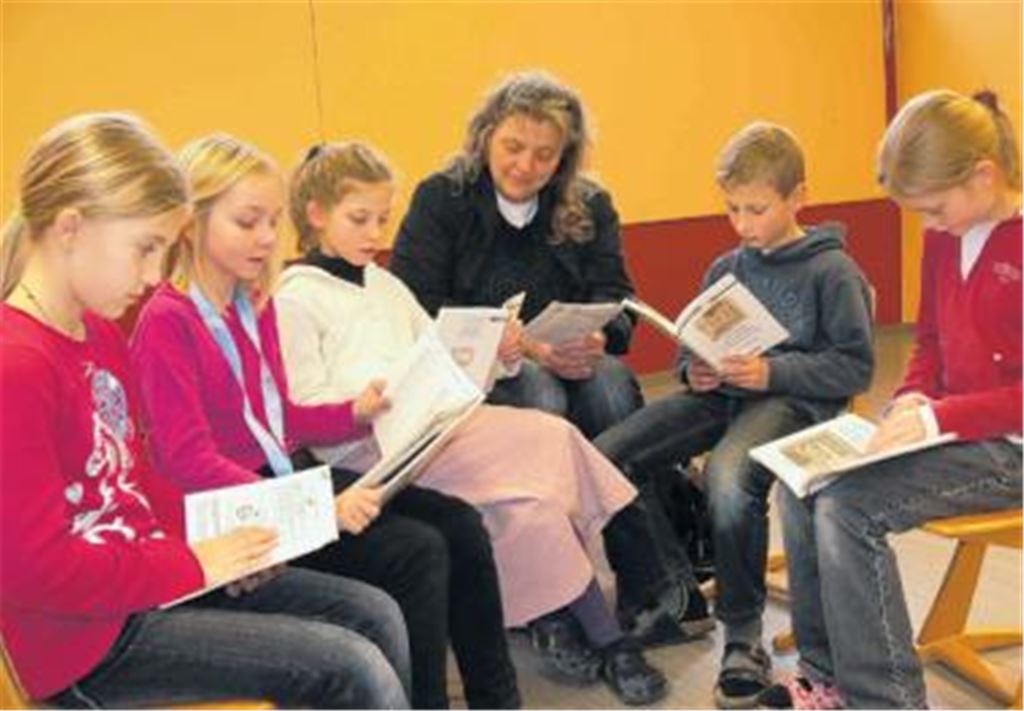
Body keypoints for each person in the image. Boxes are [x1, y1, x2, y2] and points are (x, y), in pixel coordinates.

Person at [0, 113, 410, 709]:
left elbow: (139, 485)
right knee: (350, 668)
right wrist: (193, 565)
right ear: (70, 228)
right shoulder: (17, 365)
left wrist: (224, 545)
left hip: (145, 587)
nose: (150, 276)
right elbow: (34, 570)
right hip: (88, 646)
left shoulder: (98, 331)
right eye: (144, 250)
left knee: (373, 615)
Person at [276, 140, 698, 705]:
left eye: (383, 218)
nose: (376, 233)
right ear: (315, 215)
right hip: (375, 449)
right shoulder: (295, 299)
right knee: (528, 505)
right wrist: (364, 403)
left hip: (437, 425)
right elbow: (303, 408)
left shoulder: (383, 283)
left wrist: (493, 354)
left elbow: (436, 359)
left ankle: (614, 603)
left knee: (555, 439)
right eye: (360, 219)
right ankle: (608, 635)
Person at [129, 133, 519, 709]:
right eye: (247, 222)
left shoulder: (246, 303)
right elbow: (189, 459)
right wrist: (313, 506)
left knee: (458, 524)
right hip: (236, 509)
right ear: (191, 222)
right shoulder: (168, 321)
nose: (266, 238)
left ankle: (497, 699)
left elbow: (277, 416)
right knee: (416, 551)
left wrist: (355, 413)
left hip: (281, 480)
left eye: (272, 222)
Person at [593, 122, 875, 708]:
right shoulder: (728, 266)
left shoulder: (833, 272)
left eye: (757, 209)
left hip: (793, 403)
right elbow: (694, 345)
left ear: (798, 197)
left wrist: (774, 373)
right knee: (606, 457)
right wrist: (693, 369)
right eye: (732, 210)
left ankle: (742, 637)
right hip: (719, 395)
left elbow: (854, 368)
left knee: (728, 476)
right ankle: (673, 591)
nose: (743, 225)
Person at [761, 89, 1022, 709]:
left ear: (985, 175)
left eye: (933, 209)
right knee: (803, 484)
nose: (928, 226)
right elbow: (928, 340)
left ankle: (887, 701)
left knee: (848, 508)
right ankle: (827, 679)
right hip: (956, 432)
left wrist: (938, 415)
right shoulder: (944, 237)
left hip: (1011, 448)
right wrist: (908, 400)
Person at [391, 71, 642, 439]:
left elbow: (617, 296)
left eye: (544, 155)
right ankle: (544, 496)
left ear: (564, 159)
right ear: (486, 136)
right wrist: (525, 346)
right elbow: (414, 302)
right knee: (539, 391)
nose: (525, 166)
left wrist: (598, 336)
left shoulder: (590, 204)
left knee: (612, 385)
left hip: (570, 356)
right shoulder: (442, 198)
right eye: (512, 147)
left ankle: (624, 492)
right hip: (481, 365)